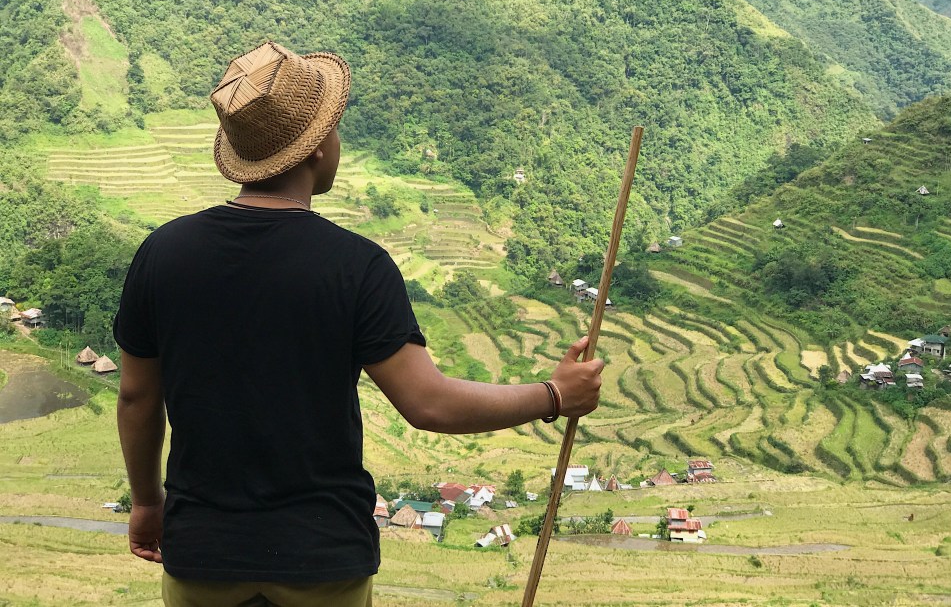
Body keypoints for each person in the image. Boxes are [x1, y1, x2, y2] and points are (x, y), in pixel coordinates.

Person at [115, 41, 604, 606]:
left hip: (203, 554)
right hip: (322, 559)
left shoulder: (163, 253)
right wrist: (553, 395)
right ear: (319, 148)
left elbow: (136, 398)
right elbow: (429, 404)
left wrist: (149, 505)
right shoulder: (355, 265)